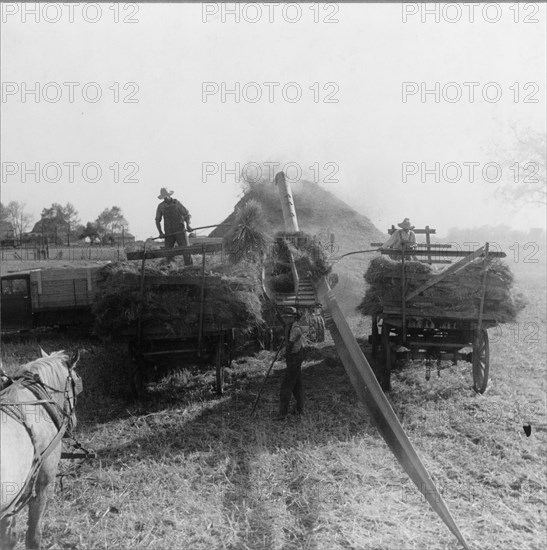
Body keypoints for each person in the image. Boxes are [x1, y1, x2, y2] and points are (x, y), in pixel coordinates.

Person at [277, 307, 305, 419]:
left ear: (292, 318)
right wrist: (276, 312)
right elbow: (283, 324)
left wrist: (281, 353)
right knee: (297, 386)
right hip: (293, 358)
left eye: (287, 317)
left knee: (286, 386)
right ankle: (299, 410)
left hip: (295, 358)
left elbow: (289, 345)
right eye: (284, 317)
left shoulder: (296, 329)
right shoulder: (289, 326)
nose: (285, 319)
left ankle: (282, 414)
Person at [155, 187, 194, 266]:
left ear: (169, 195)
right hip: (169, 233)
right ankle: (170, 270)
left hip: (180, 231)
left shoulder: (177, 204)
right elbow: (157, 220)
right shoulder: (161, 206)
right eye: (163, 197)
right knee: (168, 253)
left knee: (186, 251)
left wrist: (188, 225)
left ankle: (189, 269)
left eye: (166, 196)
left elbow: (186, 214)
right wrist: (160, 232)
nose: (165, 198)